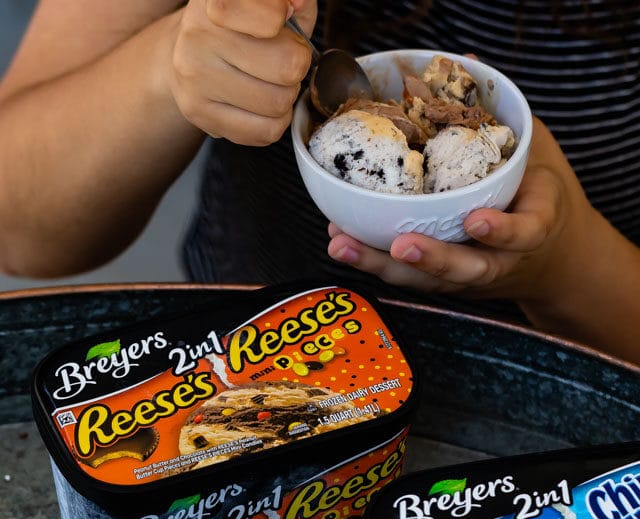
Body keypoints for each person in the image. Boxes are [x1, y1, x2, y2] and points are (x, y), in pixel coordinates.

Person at [0, 0, 639, 363]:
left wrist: (564, 263)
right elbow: (22, 229)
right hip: (233, 361)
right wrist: (167, 66)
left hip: (555, 438)